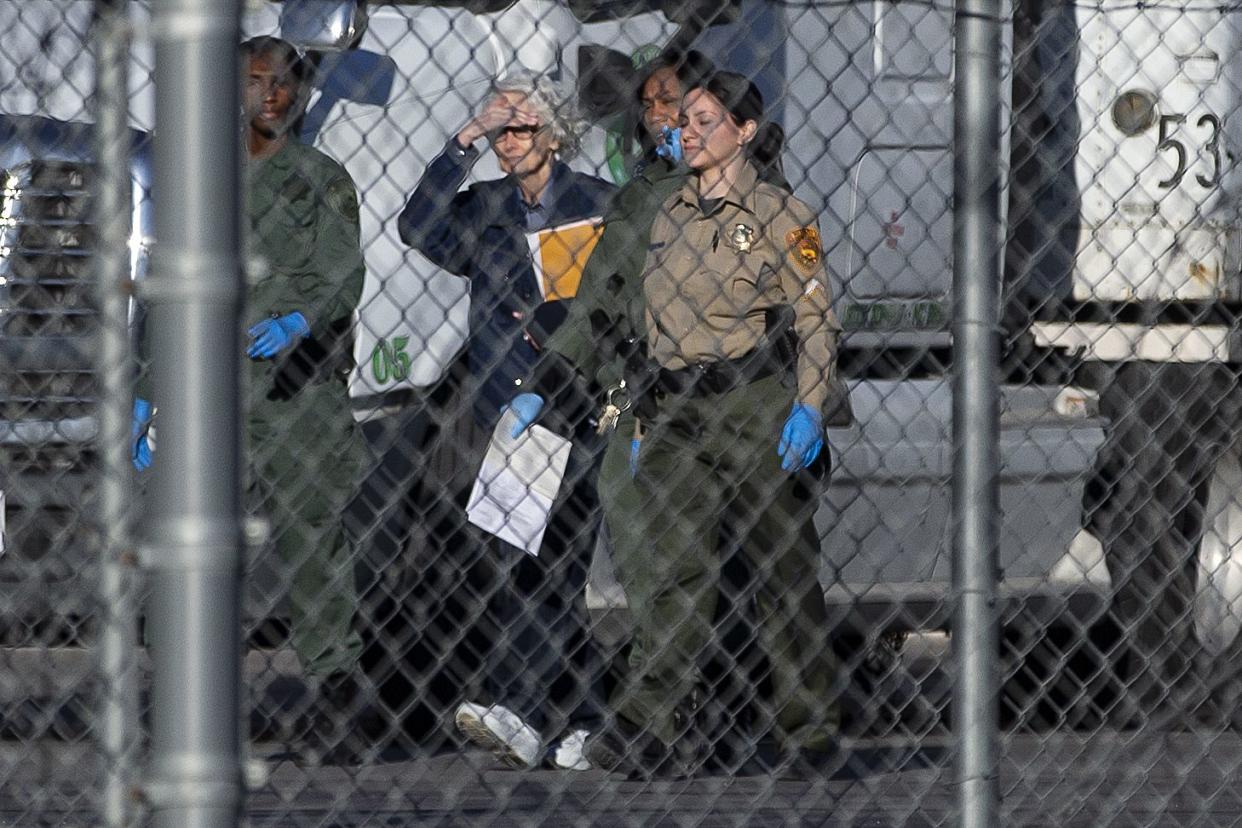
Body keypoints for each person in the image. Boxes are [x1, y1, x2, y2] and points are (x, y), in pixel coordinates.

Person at [561, 71, 844, 777]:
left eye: (704, 121)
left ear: (744, 131)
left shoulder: (786, 217)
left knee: (784, 574)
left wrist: (810, 403)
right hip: (677, 411)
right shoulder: (666, 216)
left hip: (754, 408)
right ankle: (647, 724)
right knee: (673, 571)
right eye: (681, 121)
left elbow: (816, 318)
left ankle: (809, 728)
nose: (684, 131)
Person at [134, 36, 370, 765]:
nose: (271, 94)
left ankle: (336, 700)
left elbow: (344, 271)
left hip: (297, 396)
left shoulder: (320, 177)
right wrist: (148, 392)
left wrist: (303, 319)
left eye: (284, 83)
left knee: (313, 546)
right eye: (255, 81)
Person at [397, 73, 615, 770]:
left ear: (553, 134)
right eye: (499, 129)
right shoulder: (486, 205)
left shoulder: (592, 205)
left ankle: (520, 708)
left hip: (569, 406)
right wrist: (461, 142)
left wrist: (559, 390)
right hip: (506, 415)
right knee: (532, 565)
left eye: (519, 127)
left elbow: (591, 315)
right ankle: (588, 715)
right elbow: (418, 227)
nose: (506, 141)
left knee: (547, 561)